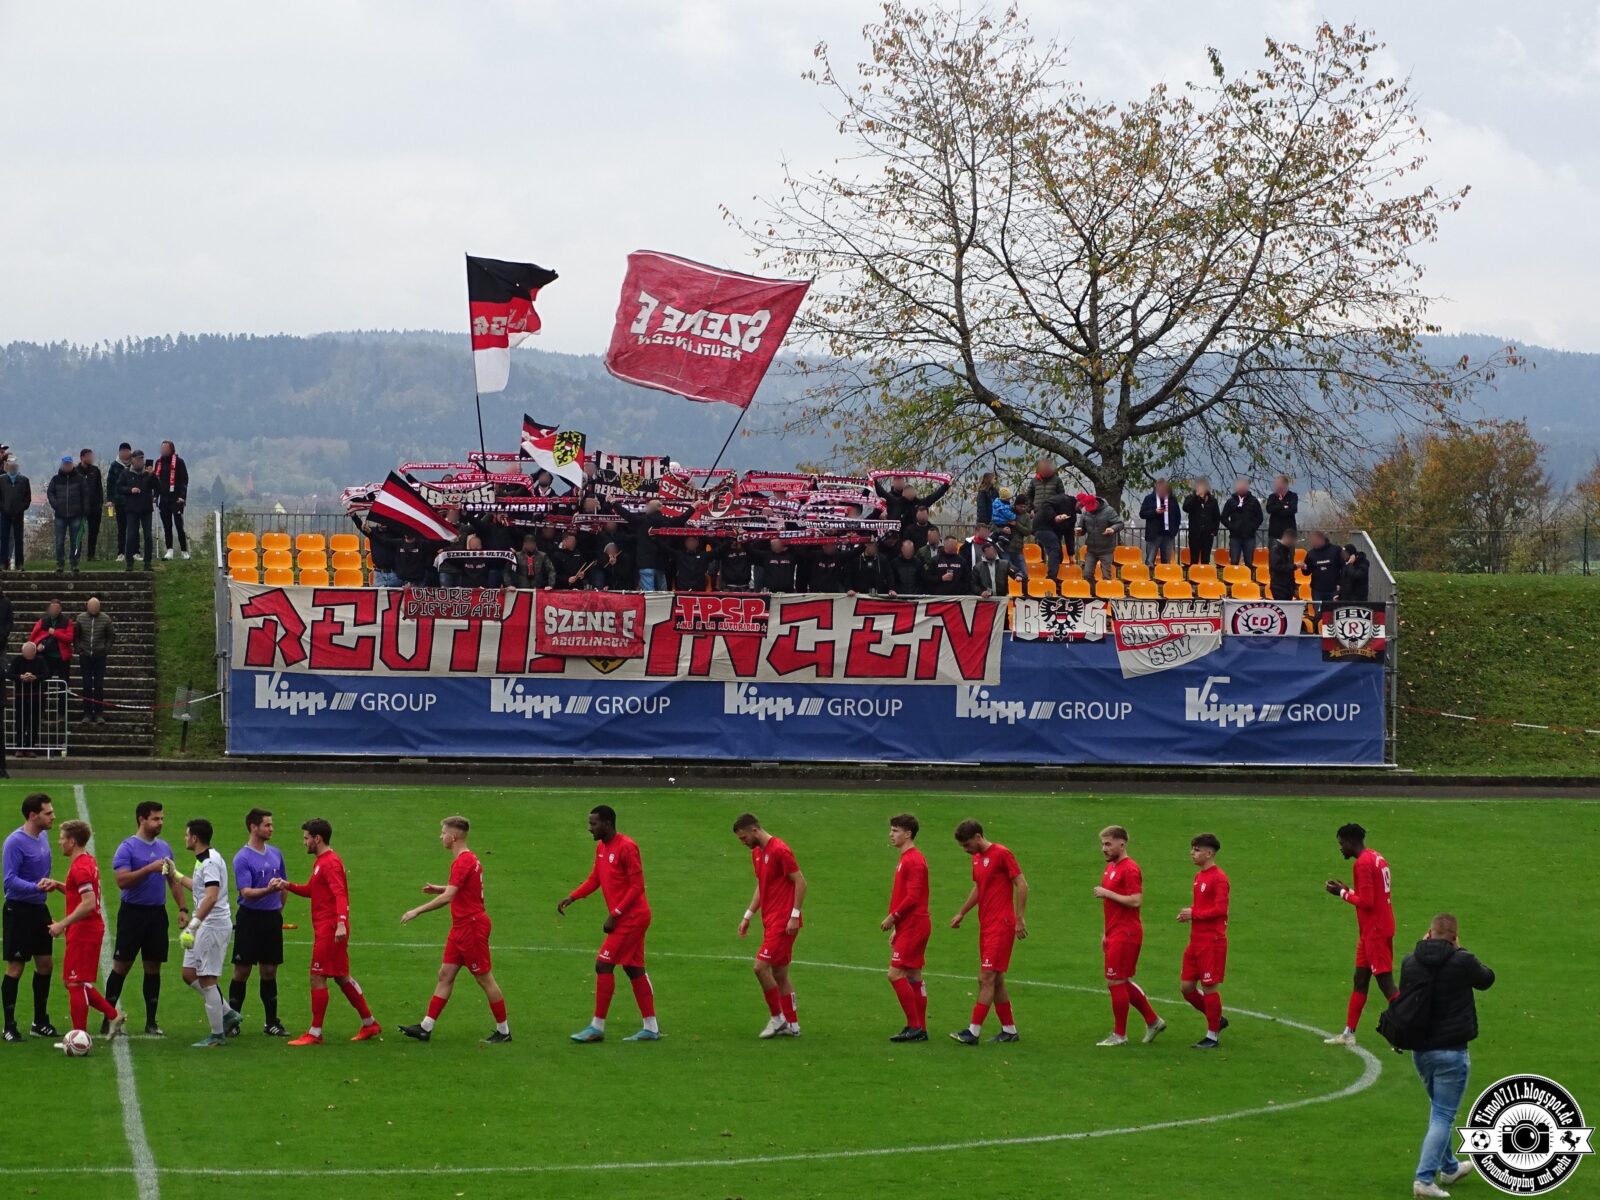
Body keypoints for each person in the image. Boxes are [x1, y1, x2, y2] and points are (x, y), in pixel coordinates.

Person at [1401, 913, 1494, 1198]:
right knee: (1443, 1114)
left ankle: (1450, 1167)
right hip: (1451, 1051)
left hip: (1421, 1052)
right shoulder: (1462, 960)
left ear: (1428, 933)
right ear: (1454, 937)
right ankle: (1424, 1179)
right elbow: (1487, 978)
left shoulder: (1410, 961)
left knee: (1438, 1109)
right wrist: (1461, 951)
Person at [398, 815, 512, 1045]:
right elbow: (462, 888)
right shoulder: (468, 860)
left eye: (443, 833)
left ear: (454, 836)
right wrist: (440, 888)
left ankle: (504, 1031)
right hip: (461, 927)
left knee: (484, 979)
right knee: (445, 974)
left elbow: (450, 897)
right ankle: (425, 1027)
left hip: (471, 927)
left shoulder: (462, 861)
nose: (441, 837)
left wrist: (417, 910)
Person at [271, 818, 381, 1045]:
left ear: (317, 838)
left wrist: (341, 923)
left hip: (330, 929)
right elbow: (313, 890)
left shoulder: (330, 863)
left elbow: (340, 894)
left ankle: (315, 1032)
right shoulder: (322, 861)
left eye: (306, 838)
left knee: (317, 976)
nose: (304, 842)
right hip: (329, 927)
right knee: (342, 977)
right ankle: (370, 1023)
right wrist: (287, 885)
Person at [557, 805, 658, 1043]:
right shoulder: (602, 848)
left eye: (593, 824)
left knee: (603, 964)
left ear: (607, 824)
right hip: (627, 916)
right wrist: (573, 896)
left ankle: (597, 1027)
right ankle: (651, 1028)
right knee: (633, 969)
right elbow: (596, 879)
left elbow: (637, 886)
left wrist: (615, 914)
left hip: (632, 917)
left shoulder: (627, 847)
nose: (589, 828)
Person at [105, 800, 187, 1036]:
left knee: (153, 967)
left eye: (162, 818)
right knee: (122, 966)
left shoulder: (165, 848)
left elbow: (173, 880)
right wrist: (148, 869)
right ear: (142, 819)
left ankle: (151, 1021)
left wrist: (182, 908)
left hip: (156, 914)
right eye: (155, 818)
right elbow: (122, 881)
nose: (160, 823)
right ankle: (107, 1016)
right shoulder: (127, 848)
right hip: (132, 913)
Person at [948, 819, 1028, 1044]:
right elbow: (979, 887)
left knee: (986, 977)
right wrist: (962, 912)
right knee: (997, 978)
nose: (965, 850)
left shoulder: (1002, 853)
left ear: (978, 837)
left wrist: (1019, 919)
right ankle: (1010, 1030)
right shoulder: (976, 859)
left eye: (967, 845)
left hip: (1001, 925)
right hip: (986, 925)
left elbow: (1022, 884)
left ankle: (973, 1031)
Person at [47, 819, 125, 1038]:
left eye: (62, 838)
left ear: (72, 841)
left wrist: (61, 924)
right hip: (85, 929)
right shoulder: (87, 861)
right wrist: (59, 885)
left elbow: (88, 903)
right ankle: (113, 1015)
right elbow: (81, 894)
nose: (59, 842)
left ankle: (78, 1037)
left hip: (84, 930)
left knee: (75, 982)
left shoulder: (80, 867)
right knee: (73, 981)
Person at [1322, 823, 1397, 1046]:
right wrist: (1350, 890)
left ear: (1351, 841)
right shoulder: (1376, 857)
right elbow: (1372, 895)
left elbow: (1367, 902)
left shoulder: (1362, 864)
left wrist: (1342, 893)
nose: (1341, 848)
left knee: (1386, 984)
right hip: (1372, 930)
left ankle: (1412, 1028)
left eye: (1342, 843)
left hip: (1375, 931)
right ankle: (1348, 1033)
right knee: (1360, 979)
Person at [733, 813, 806, 1039]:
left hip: (783, 922)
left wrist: (794, 915)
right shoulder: (757, 853)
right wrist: (748, 915)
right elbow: (761, 884)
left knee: (760, 967)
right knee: (780, 973)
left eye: (744, 837)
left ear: (754, 830)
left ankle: (778, 1018)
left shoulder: (780, 849)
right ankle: (793, 1025)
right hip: (771, 920)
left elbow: (801, 882)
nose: (743, 842)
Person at [1092, 826, 1165, 1047]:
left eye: (1108, 844)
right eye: (1102, 844)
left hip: (1127, 932)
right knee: (1119, 981)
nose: (1103, 848)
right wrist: (1105, 933)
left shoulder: (1130, 869)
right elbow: (1111, 907)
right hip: (1115, 932)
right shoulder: (1111, 868)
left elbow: (1135, 900)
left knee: (1116, 981)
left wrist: (1107, 893)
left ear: (1121, 844)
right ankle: (1153, 1021)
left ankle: (1120, 1034)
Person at [176, 818, 242, 1048]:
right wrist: (173, 874)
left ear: (195, 838)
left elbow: (211, 897)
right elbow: (199, 887)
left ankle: (217, 1036)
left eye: (187, 835)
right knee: (188, 973)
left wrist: (193, 925)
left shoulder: (210, 862)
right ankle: (227, 1013)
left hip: (212, 926)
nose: (185, 838)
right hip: (205, 924)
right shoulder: (203, 860)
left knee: (206, 978)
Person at [2, 793, 59, 1041]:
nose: (53, 817)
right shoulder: (14, 842)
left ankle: (40, 1020)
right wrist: (36, 887)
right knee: (16, 967)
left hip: (39, 909)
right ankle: (9, 1026)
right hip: (19, 910)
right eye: (48, 813)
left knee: (45, 964)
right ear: (32, 815)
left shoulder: (43, 836)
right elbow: (9, 881)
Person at [228, 808, 288, 1037]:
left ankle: (271, 1022)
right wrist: (267, 891)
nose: (271, 829)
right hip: (250, 918)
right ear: (254, 827)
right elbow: (246, 892)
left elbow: (283, 884)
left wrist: (277, 908)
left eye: (271, 825)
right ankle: (233, 1020)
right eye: (267, 825)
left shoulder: (276, 853)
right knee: (242, 971)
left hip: (271, 918)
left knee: (270, 970)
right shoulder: (242, 858)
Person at [1178, 832, 1230, 1049]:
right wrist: (1190, 912)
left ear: (1209, 853)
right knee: (1186, 987)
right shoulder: (1199, 876)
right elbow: (1204, 906)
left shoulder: (1219, 878)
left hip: (1212, 941)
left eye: (1197, 850)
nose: (1192, 853)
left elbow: (1220, 909)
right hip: (1196, 940)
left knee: (1209, 987)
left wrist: (1194, 913)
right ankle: (1216, 1019)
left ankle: (1212, 1035)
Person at [881, 813, 930, 1043]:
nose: (891, 835)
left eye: (895, 830)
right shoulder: (907, 858)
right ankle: (921, 1028)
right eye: (891, 830)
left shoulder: (914, 860)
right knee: (913, 975)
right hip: (910, 925)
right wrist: (897, 927)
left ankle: (914, 1026)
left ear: (908, 834)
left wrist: (893, 917)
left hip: (913, 924)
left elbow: (913, 897)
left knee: (895, 974)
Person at [74, 597, 114, 724]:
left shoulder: (106, 619)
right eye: (91, 606)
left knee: (98, 685)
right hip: (85, 655)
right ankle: (86, 713)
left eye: (96, 606)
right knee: (86, 684)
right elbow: (76, 635)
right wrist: (78, 649)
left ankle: (98, 713)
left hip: (99, 656)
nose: (93, 609)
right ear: (87, 606)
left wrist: (105, 650)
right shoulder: (80, 618)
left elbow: (111, 636)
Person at [116, 450, 155, 572]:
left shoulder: (147, 473)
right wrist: (130, 490)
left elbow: (157, 486)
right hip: (132, 509)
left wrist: (152, 475)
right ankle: (129, 563)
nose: (140, 461)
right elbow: (119, 487)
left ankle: (147, 562)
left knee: (148, 536)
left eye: (142, 458)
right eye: (138, 458)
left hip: (146, 508)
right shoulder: (126, 473)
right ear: (132, 459)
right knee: (131, 536)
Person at [47, 456, 86, 574]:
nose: (67, 466)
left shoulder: (80, 479)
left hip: (76, 514)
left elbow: (85, 495)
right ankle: (60, 563)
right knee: (59, 541)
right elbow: (50, 493)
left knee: (76, 541)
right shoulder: (55, 479)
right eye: (65, 464)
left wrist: (84, 511)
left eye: (69, 464)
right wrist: (56, 504)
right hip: (60, 514)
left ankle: (74, 563)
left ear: (72, 465)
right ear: (62, 465)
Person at [7, 642, 46, 753]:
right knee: (20, 722)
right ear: (22, 651)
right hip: (21, 695)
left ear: (34, 652)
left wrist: (35, 677)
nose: (28, 653)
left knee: (34, 722)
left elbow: (47, 674)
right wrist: (20, 677)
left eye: (30, 651)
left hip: (36, 695)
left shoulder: (40, 660)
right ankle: (19, 746)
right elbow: (9, 674)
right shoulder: (17, 660)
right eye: (26, 651)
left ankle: (30, 746)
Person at [153, 440, 189, 560]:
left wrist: (182, 496)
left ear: (171, 449)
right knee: (166, 526)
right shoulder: (158, 463)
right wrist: (155, 496)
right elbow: (156, 481)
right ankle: (169, 550)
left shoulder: (179, 462)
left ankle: (184, 550)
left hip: (176, 498)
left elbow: (184, 480)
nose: (164, 450)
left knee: (179, 525)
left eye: (166, 448)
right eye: (162, 448)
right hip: (163, 498)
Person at [1075, 492, 1123, 582]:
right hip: (1091, 549)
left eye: (1092, 508)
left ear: (1096, 503)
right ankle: (1092, 593)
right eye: (1088, 508)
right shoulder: (1085, 512)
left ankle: (1107, 593)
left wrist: (1112, 529)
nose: (1090, 510)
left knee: (1106, 575)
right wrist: (1080, 532)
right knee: (1087, 574)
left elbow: (1119, 523)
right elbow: (1082, 527)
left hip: (1106, 549)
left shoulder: (1109, 511)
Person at [1221, 478, 1263, 567]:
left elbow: (1260, 518)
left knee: (1249, 562)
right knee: (1234, 561)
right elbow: (1223, 517)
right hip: (1235, 537)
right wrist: (1231, 526)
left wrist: (1252, 528)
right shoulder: (1230, 501)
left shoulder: (1254, 501)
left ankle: (1248, 579)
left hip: (1249, 537)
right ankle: (1233, 579)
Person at [1139, 478, 1182, 566]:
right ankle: (1149, 577)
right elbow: (1142, 514)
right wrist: (1155, 512)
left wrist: (1174, 531)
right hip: (1154, 534)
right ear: (1156, 487)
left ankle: (1164, 577)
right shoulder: (1149, 498)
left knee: (1166, 561)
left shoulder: (1172, 499)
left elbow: (1178, 516)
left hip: (1168, 535)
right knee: (1150, 560)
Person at [29, 600, 73, 682]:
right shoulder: (42, 621)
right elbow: (33, 636)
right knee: (44, 680)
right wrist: (36, 646)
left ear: (60, 609)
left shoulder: (67, 622)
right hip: (46, 656)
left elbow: (69, 638)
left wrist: (55, 633)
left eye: (56, 608)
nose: (53, 610)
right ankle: (43, 695)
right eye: (52, 608)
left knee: (63, 682)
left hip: (62, 657)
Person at [0, 456, 30, 571]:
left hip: (18, 514)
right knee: (4, 539)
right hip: (5, 513)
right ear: (7, 466)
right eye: (10, 465)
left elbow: (27, 498)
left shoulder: (24, 480)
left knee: (18, 540)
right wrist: (4, 508)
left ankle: (19, 563)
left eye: (14, 465)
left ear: (17, 467)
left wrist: (21, 508)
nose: (12, 467)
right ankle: (3, 563)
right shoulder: (1, 480)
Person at [106, 444, 133, 564]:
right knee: (121, 528)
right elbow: (110, 483)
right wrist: (110, 499)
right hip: (119, 501)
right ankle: (121, 553)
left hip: (133, 501)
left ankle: (135, 552)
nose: (125, 454)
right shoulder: (114, 466)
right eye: (123, 451)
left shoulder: (134, 465)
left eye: (127, 451)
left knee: (134, 528)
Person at [1183, 478, 1221, 565]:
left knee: (1205, 559)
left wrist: (1214, 532)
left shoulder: (1212, 501)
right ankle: (1194, 576)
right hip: (1194, 534)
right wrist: (1195, 496)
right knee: (1194, 558)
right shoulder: (1191, 498)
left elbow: (1217, 517)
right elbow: (1186, 508)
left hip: (1207, 535)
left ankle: (1205, 576)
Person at [76, 449, 105, 561]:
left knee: (94, 531)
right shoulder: (76, 471)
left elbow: (99, 488)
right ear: (82, 457)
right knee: (78, 532)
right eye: (88, 456)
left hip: (94, 506)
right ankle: (76, 555)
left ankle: (91, 555)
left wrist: (99, 503)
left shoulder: (95, 470)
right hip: (80, 507)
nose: (91, 458)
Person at [1302, 531, 1341, 606]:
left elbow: (1344, 568)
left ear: (1321, 539)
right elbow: (1306, 573)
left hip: (1333, 589)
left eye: (1315, 541)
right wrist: (1303, 568)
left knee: (1332, 614)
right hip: (1317, 590)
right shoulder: (1311, 554)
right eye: (1312, 541)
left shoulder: (1336, 550)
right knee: (1318, 614)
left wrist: (1340, 583)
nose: (1313, 543)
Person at [1265, 474, 1299, 542]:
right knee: (1274, 552)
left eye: (1278, 483)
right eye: (1276, 484)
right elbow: (1269, 509)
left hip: (1289, 534)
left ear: (1285, 484)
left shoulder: (1293, 496)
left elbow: (1293, 509)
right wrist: (1283, 506)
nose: (1276, 485)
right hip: (1274, 533)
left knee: (1289, 552)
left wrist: (1277, 509)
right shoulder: (1272, 497)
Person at [1268, 528, 1299, 601]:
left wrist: (1294, 587)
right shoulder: (1275, 549)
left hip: (1288, 587)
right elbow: (1276, 567)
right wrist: (1295, 566)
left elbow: (1290, 572)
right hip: (1278, 587)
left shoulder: (1289, 551)